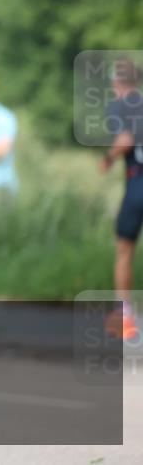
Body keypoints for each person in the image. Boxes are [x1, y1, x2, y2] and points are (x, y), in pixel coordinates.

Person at [99, 59, 143, 339]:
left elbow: (125, 140)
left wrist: (108, 158)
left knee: (125, 249)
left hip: (138, 181)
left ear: (117, 82)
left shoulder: (119, 106)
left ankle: (125, 317)